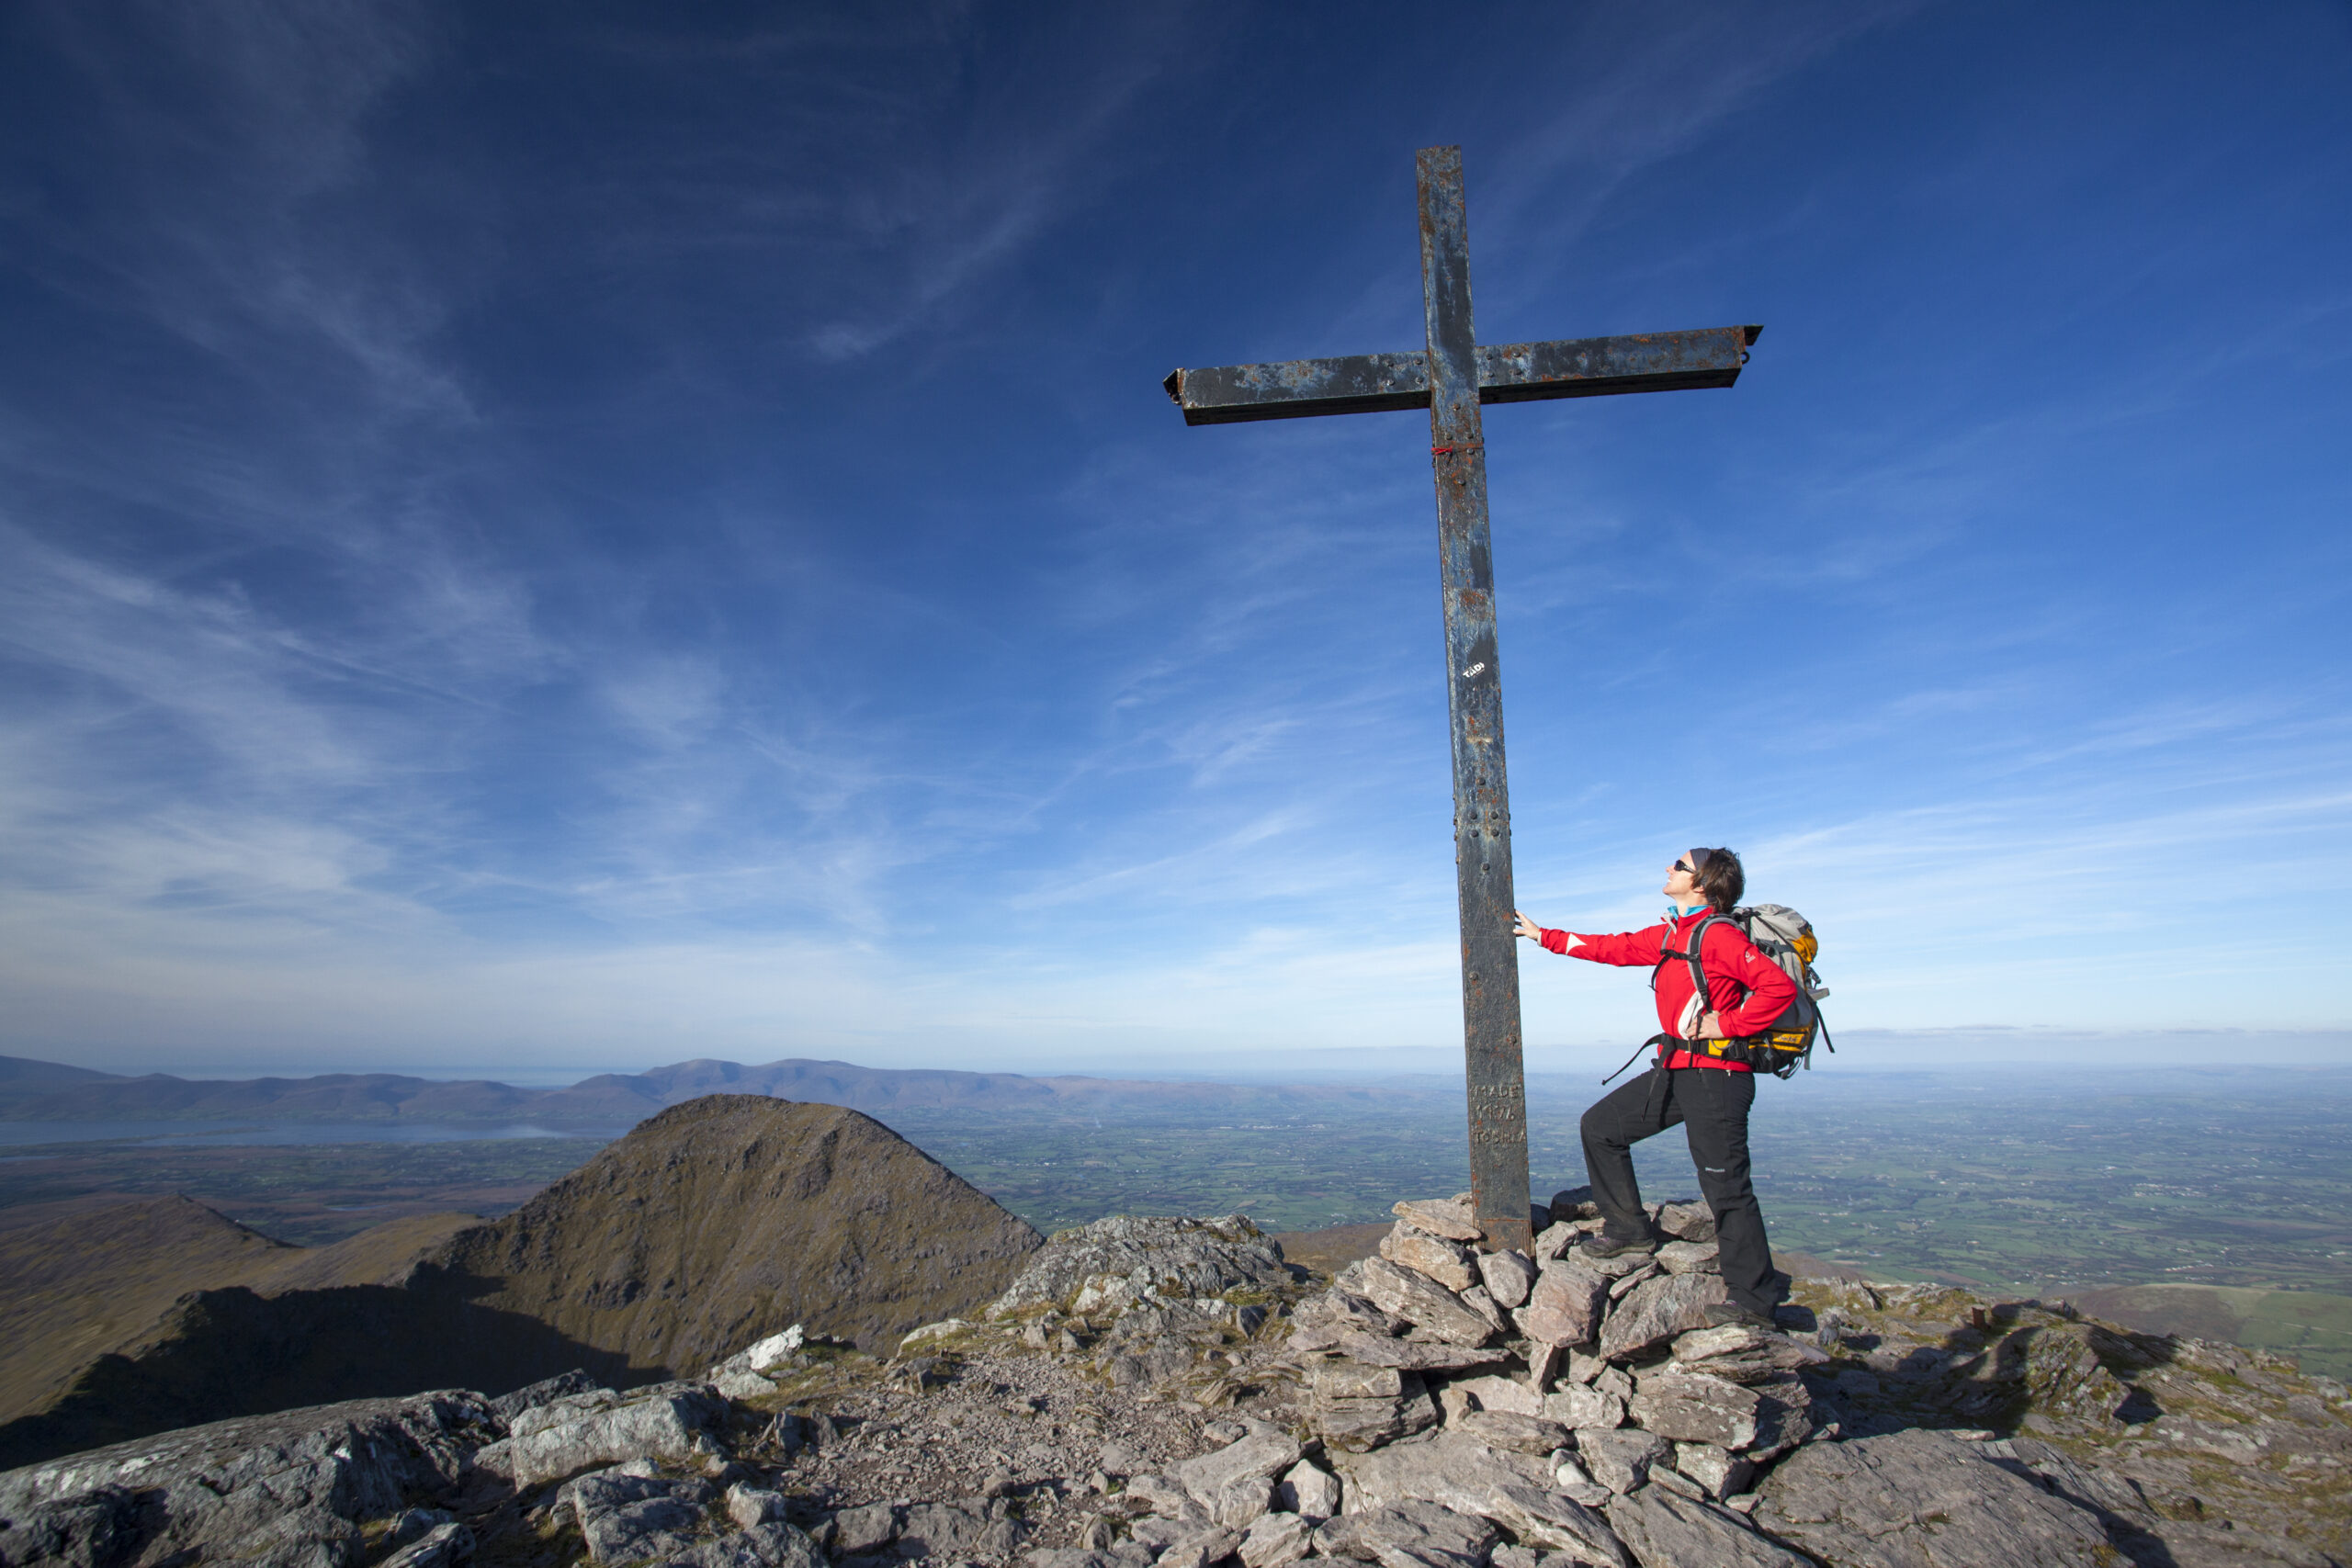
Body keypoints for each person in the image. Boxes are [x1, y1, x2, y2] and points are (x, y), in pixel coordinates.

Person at [1511, 847, 1797, 1330]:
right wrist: (1545, 937)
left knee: (1726, 1188)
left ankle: (1753, 1301)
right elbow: (1614, 947)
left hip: (1717, 1077)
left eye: (1681, 866)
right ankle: (1628, 1229)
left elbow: (1779, 989)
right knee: (1601, 1127)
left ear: (1704, 884)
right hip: (1677, 1068)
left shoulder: (1717, 935)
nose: (1670, 868)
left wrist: (1724, 1024)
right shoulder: (1675, 934)